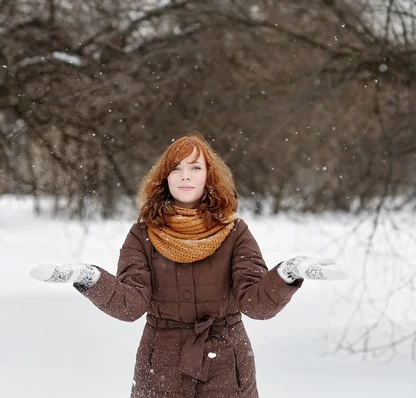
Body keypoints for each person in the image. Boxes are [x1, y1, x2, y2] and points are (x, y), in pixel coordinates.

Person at [29, 133, 347, 398]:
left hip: (227, 368)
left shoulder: (235, 232)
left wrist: (289, 273)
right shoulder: (143, 234)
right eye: (177, 168)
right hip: (161, 367)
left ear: (208, 175)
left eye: (195, 168)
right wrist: (88, 278)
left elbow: (256, 305)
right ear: (164, 176)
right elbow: (130, 305)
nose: (185, 176)